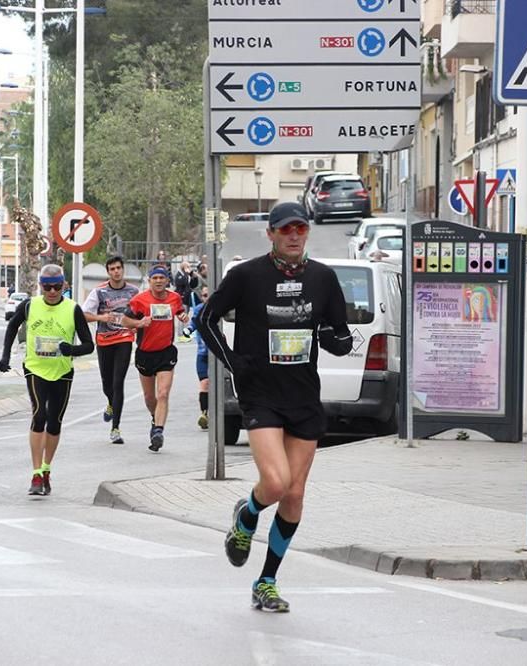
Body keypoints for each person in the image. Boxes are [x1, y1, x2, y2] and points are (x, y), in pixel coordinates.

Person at [197, 201, 353, 613]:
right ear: (271, 234)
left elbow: (339, 332)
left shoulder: (323, 278)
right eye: (286, 229)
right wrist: (233, 364)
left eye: (301, 228)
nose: (294, 235)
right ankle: (247, 514)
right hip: (260, 393)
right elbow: (205, 319)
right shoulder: (246, 275)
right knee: (277, 483)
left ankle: (266, 581)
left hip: (303, 395)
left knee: (295, 494)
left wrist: (341, 341)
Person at [0, 264, 94, 496]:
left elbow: (89, 345)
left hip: (62, 371)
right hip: (35, 368)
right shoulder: (30, 305)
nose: (52, 291)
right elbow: (12, 326)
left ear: (64, 286)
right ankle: (35, 474)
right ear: (40, 286)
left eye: (57, 287)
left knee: (55, 421)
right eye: (47, 287)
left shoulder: (73, 309)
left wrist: (70, 349)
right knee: (39, 413)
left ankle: (47, 468)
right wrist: (5, 355)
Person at [122, 265, 189, 452]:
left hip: (166, 352)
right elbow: (124, 321)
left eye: (162, 277)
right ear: (150, 281)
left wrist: (183, 316)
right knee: (150, 397)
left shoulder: (174, 298)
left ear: (167, 280)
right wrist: (139, 322)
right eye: (155, 278)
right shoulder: (139, 300)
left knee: (163, 394)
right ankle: (154, 417)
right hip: (145, 353)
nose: (158, 281)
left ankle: (158, 431)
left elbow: (179, 312)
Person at [82, 256, 139, 444]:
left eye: (118, 268)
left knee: (118, 382)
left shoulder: (133, 291)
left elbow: (142, 312)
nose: (116, 271)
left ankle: (115, 428)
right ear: (108, 272)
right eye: (112, 269)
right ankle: (110, 403)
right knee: (107, 383)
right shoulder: (99, 292)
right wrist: (102, 318)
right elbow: (84, 315)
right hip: (104, 340)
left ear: (123, 270)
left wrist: (138, 325)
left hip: (124, 338)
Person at [180, 285, 211, 429]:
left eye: (210, 295)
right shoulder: (199, 309)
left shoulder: (222, 309)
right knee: (204, 383)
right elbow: (193, 324)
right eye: (204, 296)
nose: (207, 298)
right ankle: (204, 414)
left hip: (219, 355)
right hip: (203, 353)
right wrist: (188, 330)